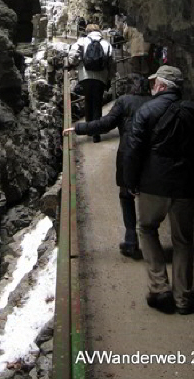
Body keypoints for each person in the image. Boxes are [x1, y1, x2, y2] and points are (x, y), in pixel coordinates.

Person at [122, 65, 194, 314]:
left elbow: (133, 149)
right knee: (183, 240)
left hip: (154, 184)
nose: (152, 87)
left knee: (147, 228)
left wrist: (129, 182)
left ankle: (159, 288)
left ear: (162, 86)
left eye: (154, 83)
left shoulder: (146, 110)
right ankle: (183, 299)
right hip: (185, 185)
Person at [64, 74, 151, 257]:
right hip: (151, 156)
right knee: (149, 196)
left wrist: (79, 128)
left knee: (126, 195)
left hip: (127, 155)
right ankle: (151, 241)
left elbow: (105, 124)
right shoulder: (154, 103)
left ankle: (131, 239)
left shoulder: (123, 102)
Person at [68, 23, 114, 141]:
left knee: (88, 101)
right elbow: (112, 64)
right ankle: (96, 133)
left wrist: (72, 65)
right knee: (97, 104)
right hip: (101, 78)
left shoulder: (82, 41)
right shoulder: (106, 44)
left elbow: (72, 56)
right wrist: (110, 78)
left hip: (85, 77)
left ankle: (88, 130)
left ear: (87, 31)